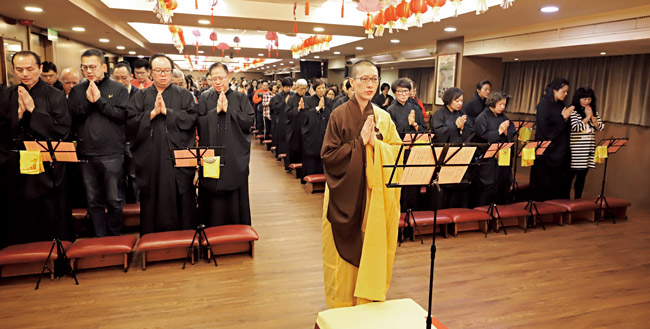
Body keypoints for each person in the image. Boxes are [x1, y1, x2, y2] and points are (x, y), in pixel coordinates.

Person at [320, 60, 402, 308]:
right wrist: (359, 143)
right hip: (343, 193)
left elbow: (397, 152)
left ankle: (369, 301)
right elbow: (328, 156)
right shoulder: (339, 114)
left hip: (374, 196)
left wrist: (376, 145)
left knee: (373, 248)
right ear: (352, 83)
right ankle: (341, 307)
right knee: (340, 260)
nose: (369, 84)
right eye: (364, 79)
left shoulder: (384, 118)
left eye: (374, 79)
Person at [0, 51, 71, 244]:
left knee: (49, 210)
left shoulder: (55, 95)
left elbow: (62, 129)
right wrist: (19, 116)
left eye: (30, 69)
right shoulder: (6, 94)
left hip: (46, 166)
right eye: (19, 69)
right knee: (18, 212)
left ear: (40, 69)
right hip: (15, 165)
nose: (24, 74)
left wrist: (34, 111)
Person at [127, 54, 197, 234]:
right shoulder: (141, 96)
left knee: (182, 196)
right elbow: (130, 122)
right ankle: (152, 237)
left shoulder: (184, 94)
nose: (163, 75)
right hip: (151, 159)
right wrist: (151, 114)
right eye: (158, 71)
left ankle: (185, 238)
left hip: (177, 156)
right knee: (152, 198)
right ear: (151, 73)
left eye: (166, 71)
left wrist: (169, 113)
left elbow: (192, 119)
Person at [68, 49, 129, 237]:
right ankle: (99, 237)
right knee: (93, 200)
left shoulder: (118, 89)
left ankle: (115, 237)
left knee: (114, 199)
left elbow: (122, 116)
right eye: (84, 67)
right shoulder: (77, 90)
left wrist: (100, 101)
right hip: (87, 153)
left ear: (103, 67)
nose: (89, 71)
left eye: (92, 67)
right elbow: (72, 118)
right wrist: (88, 102)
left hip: (112, 153)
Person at [196, 63, 254, 227]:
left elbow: (249, 121)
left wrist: (230, 111)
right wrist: (215, 112)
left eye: (220, 78)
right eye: (213, 79)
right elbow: (199, 122)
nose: (217, 82)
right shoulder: (205, 97)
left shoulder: (240, 98)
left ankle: (237, 227)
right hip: (212, 153)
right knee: (212, 185)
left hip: (234, 153)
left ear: (228, 77)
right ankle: (212, 226)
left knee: (235, 188)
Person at [430, 87, 474, 208]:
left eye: (461, 101)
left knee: (459, 183)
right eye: (457, 101)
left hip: (459, 154)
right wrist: (455, 126)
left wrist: (461, 128)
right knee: (444, 185)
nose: (460, 103)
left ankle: (456, 211)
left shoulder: (462, 113)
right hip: (444, 155)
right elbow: (439, 133)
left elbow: (471, 131)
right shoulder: (439, 113)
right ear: (449, 100)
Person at [530, 78, 573, 201]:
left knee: (559, 179)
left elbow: (563, 124)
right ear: (554, 90)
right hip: (547, 150)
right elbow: (545, 128)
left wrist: (565, 119)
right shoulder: (544, 104)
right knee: (544, 181)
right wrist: (563, 118)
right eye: (563, 91)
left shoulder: (560, 104)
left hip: (560, 149)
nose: (565, 94)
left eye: (567, 92)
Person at [473, 91, 516, 206]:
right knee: (489, 186)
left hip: (503, 157)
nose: (503, 107)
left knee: (503, 183)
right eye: (500, 104)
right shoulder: (482, 117)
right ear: (492, 103)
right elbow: (481, 136)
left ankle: (500, 211)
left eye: (504, 104)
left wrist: (506, 133)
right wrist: (499, 132)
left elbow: (512, 130)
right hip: (489, 160)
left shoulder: (503, 116)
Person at [568, 87, 604, 199]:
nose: (587, 102)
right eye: (584, 99)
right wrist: (587, 117)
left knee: (582, 177)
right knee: (569, 177)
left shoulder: (593, 111)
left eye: (589, 99)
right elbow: (576, 127)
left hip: (588, 150)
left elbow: (600, 127)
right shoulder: (573, 111)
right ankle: (564, 200)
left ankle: (578, 200)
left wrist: (592, 117)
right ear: (578, 99)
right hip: (576, 151)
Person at [112, 61, 140, 204]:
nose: (120, 81)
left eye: (123, 77)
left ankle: (135, 206)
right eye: (116, 78)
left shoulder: (139, 94)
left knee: (134, 176)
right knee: (118, 177)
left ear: (131, 77)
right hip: (114, 142)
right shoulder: (110, 94)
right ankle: (120, 207)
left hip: (133, 141)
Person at [301, 79, 332, 178]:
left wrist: (324, 109)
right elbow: (305, 115)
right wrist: (317, 108)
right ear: (315, 89)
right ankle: (310, 175)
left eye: (323, 88)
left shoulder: (329, 101)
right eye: (319, 88)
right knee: (312, 155)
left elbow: (332, 115)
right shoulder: (308, 100)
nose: (321, 90)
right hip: (312, 133)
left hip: (325, 132)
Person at [285, 79, 308, 167]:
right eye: (301, 89)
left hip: (305, 126)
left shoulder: (308, 98)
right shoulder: (292, 99)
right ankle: (291, 164)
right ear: (297, 88)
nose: (303, 91)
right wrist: (298, 108)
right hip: (294, 127)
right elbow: (288, 113)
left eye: (305, 89)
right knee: (294, 146)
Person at [270, 77, 292, 163]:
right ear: (282, 87)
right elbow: (274, 108)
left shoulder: (293, 95)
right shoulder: (277, 96)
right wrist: (284, 103)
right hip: (280, 121)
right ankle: (280, 154)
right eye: (286, 87)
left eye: (289, 87)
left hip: (290, 120)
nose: (288, 89)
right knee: (281, 138)